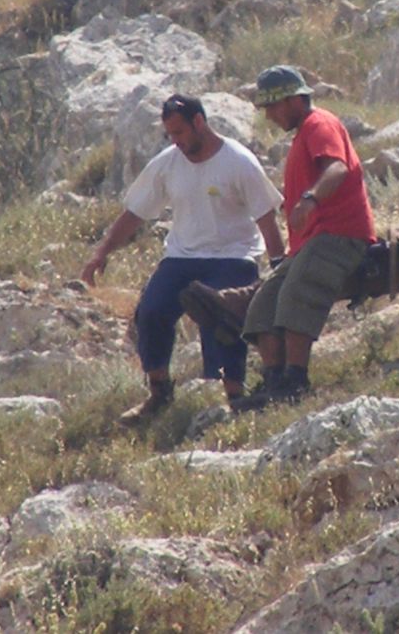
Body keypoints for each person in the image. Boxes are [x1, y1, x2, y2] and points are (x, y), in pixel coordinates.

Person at [80, 94, 284, 425]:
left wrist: (279, 267)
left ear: (199, 123)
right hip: (182, 256)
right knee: (151, 311)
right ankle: (159, 392)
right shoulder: (167, 163)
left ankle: (233, 394)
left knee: (220, 314)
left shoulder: (239, 162)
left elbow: (266, 219)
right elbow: (135, 213)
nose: (175, 141)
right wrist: (101, 253)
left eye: (180, 133)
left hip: (233, 255)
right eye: (170, 135)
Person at [229, 65, 377, 412]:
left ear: (295, 99)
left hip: (339, 234)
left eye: (274, 106)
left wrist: (311, 199)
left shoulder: (319, 125)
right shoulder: (302, 135)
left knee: (299, 291)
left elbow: (337, 168)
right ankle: (274, 381)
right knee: (264, 304)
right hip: (311, 241)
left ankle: (296, 382)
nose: (270, 116)